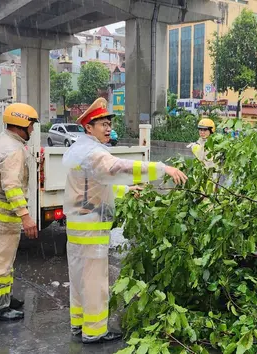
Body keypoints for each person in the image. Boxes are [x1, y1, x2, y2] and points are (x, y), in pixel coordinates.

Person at [62, 98, 187, 344]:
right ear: (89, 127)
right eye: (102, 124)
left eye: (109, 123)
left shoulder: (79, 149)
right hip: (91, 229)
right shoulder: (95, 153)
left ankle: (79, 324)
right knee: (95, 281)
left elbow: (92, 188)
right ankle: (95, 331)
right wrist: (163, 169)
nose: (108, 128)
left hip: (77, 227)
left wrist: (126, 191)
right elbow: (119, 168)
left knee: (78, 279)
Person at [0, 103, 39, 321]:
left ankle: (4, 297)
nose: (32, 129)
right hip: (3, 218)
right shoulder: (13, 150)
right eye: (31, 125)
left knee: (4, 260)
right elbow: (12, 187)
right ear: (22, 124)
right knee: (0, 263)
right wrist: (25, 216)